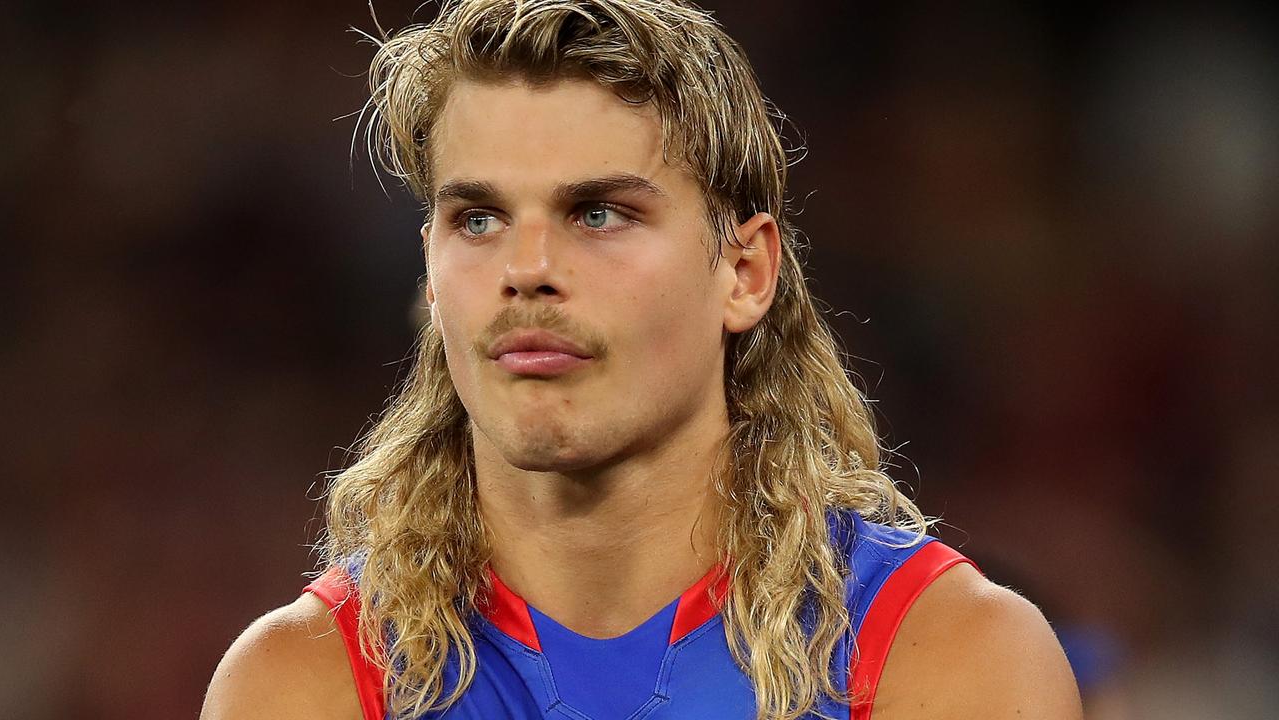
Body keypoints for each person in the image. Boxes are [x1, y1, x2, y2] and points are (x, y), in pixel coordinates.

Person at [201, 1, 1083, 718]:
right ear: (431, 279)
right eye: (478, 219)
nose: (527, 271)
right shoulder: (304, 686)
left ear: (744, 272)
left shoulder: (942, 662)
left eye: (598, 214)